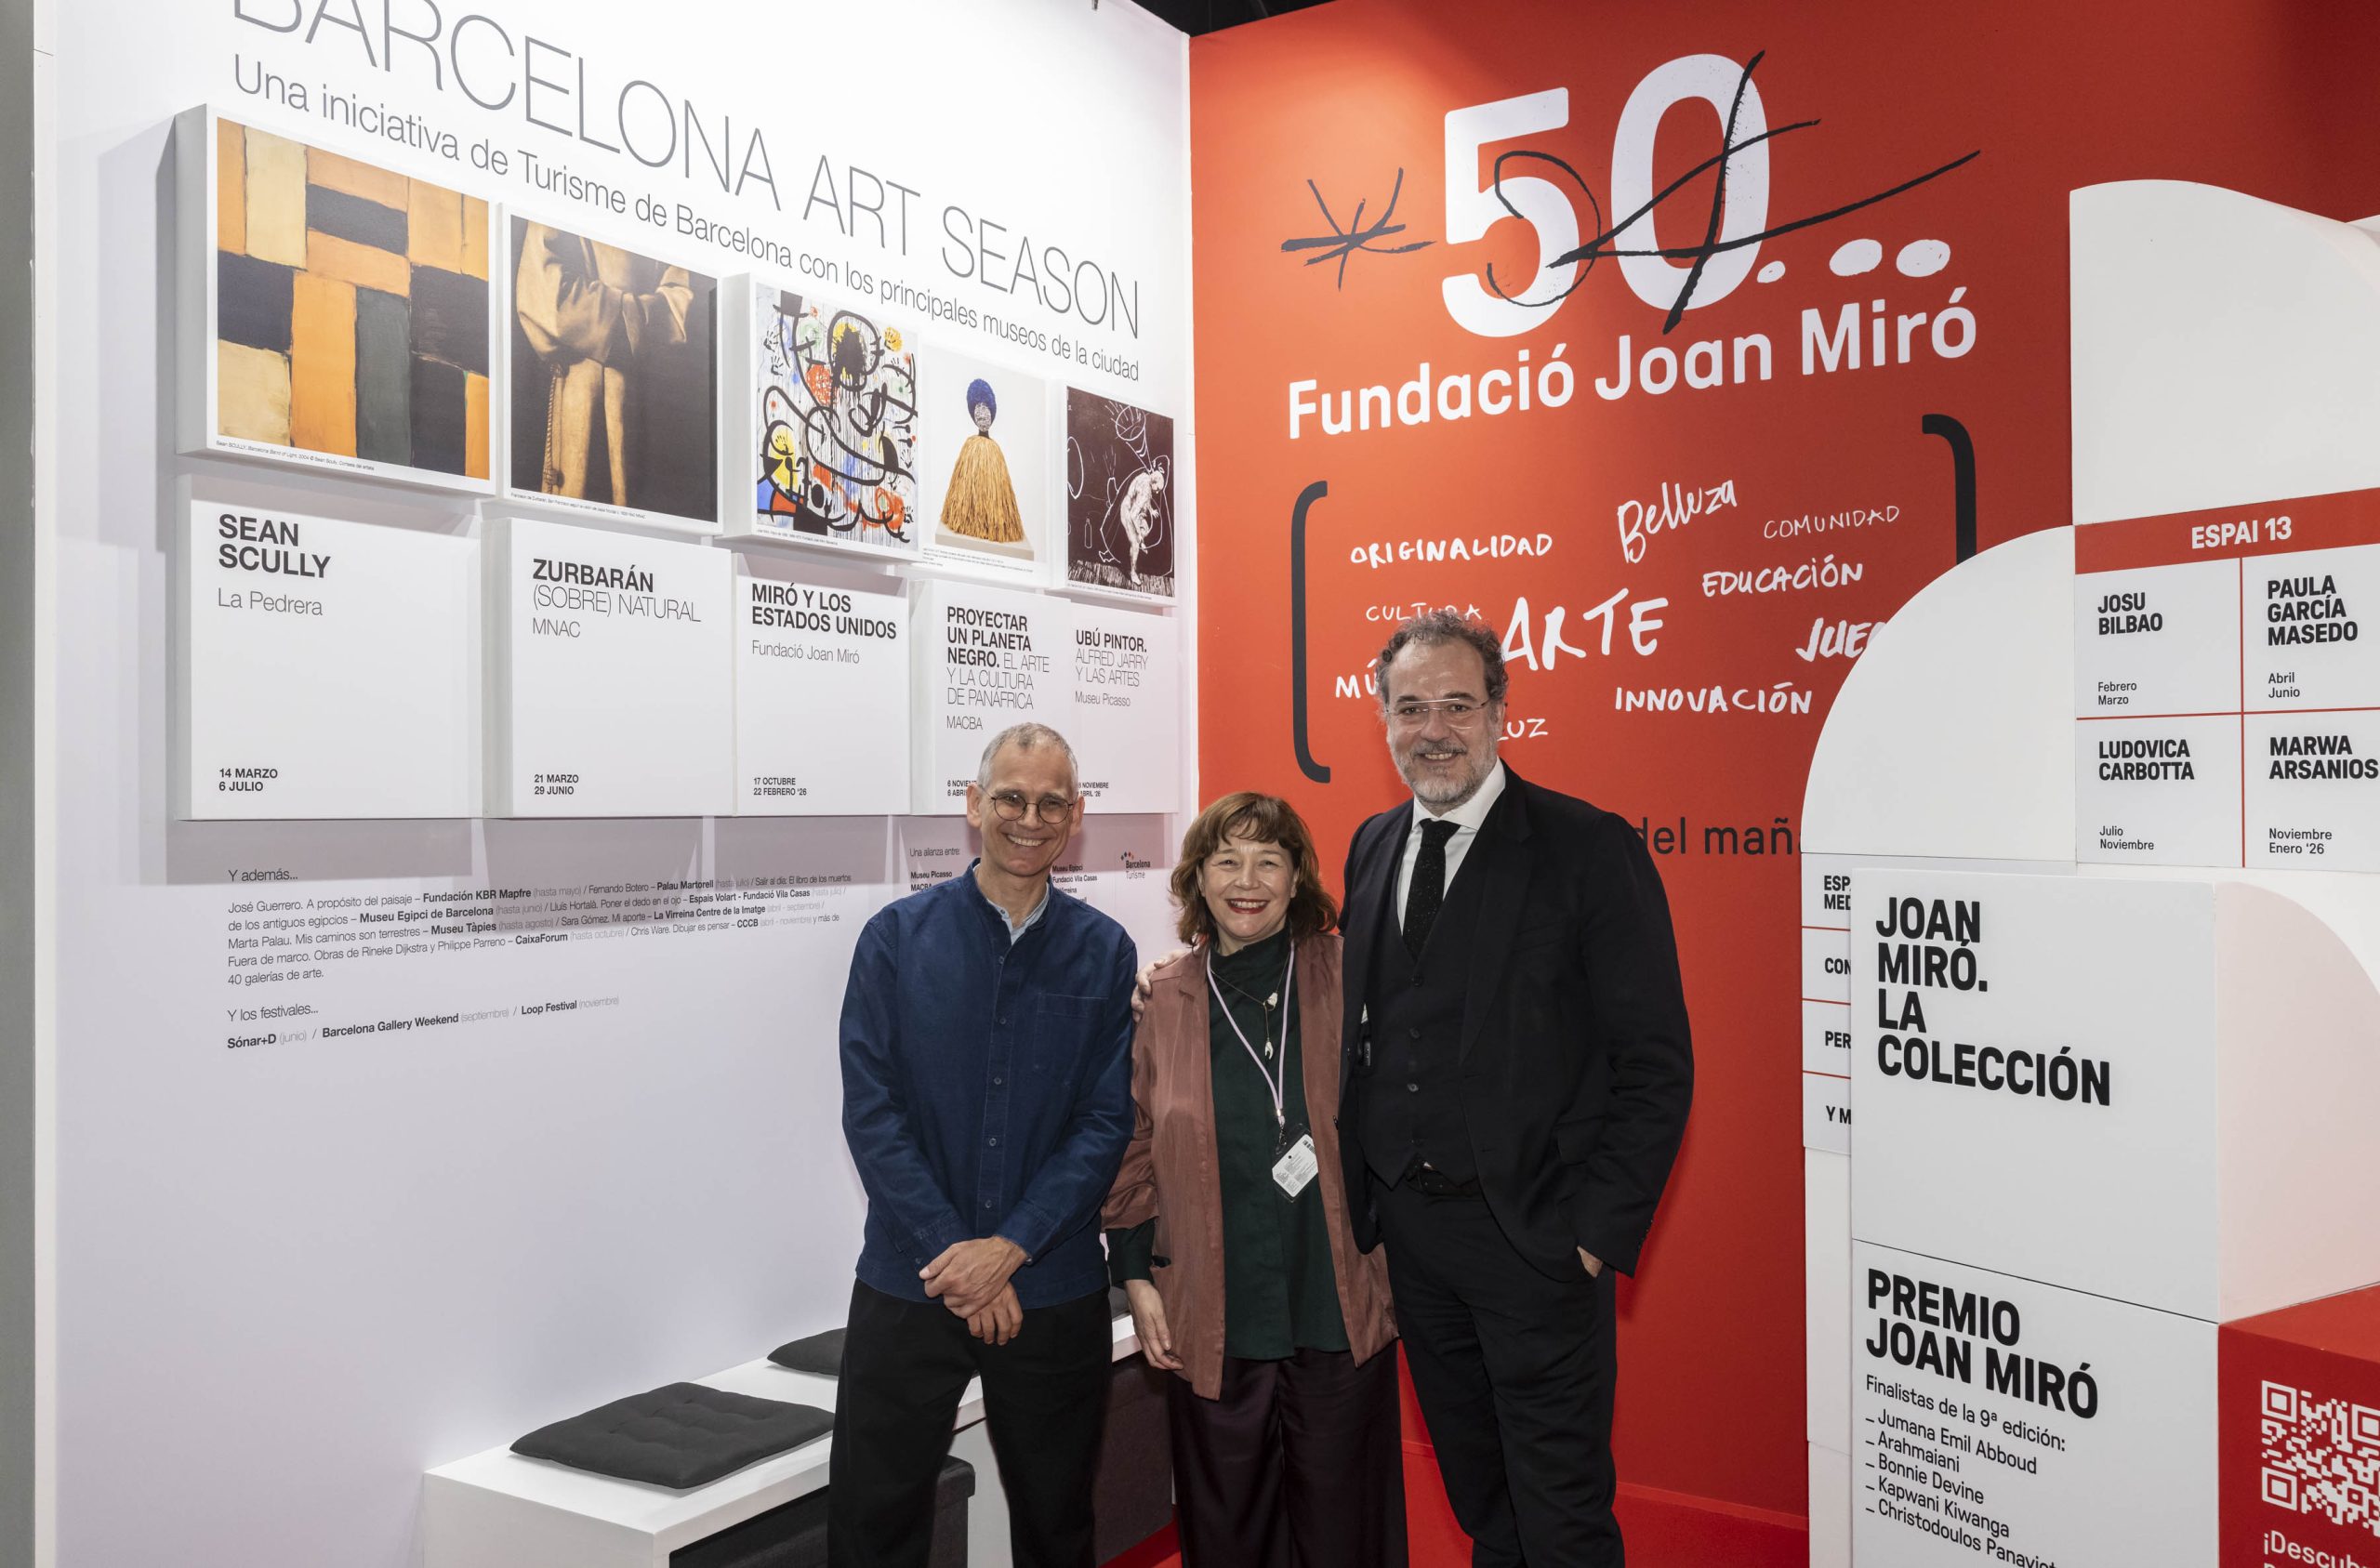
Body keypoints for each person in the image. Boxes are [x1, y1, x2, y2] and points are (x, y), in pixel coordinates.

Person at [1342, 609, 1693, 1568]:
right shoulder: (1371, 845)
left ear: (1500, 712)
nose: (1434, 729)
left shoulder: (1586, 846)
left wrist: (1591, 1234)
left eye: (1458, 704)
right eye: (1411, 708)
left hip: (1537, 1240)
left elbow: (1655, 1062)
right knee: (1481, 1497)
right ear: (1383, 719)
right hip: (1414, 1241)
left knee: (1561, 1510)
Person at [829, 722, 1137, 1568]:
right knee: (871, 1527)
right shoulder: (896, 939)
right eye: (1010, 797)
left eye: (1050, 803)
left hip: (1052, 1284)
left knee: (1056, 1528)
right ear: (973, 803)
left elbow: (1104, 1122)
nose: (1029, 819)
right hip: (910, 1279)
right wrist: (957, 1255)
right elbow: (872, 1113)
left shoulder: (1105, 951)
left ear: (1075, 814)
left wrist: (1009, 1248)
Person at [1104, 793, 1405, 1568]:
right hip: (1212, 1311)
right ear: (1197, 878)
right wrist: (1135, 1274)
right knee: (1228, 1535)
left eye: (1269, 860)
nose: (1247, 880)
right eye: (1227, 860)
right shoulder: (1163, 1001)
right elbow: (1134, 1146)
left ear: (1297, 876)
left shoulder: (1352, 972)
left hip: (1336, 1300)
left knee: (1347, 1536)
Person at [512, 221, 694, 508]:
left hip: (657, 415)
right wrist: (638, 318)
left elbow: (683, 307)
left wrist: (624, 319)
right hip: (583, 400)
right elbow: (548, 299)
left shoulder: (672, 222)